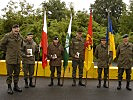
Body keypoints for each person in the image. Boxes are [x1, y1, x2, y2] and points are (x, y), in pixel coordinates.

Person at [0, 24, 23, 94]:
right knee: (9, 74)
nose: (16, 30)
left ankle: (15, 86)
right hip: (10, 58)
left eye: (17, 28)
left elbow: (21, 45)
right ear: (12, 29)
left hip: (18, 58)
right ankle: (9, 87)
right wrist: (7, 51)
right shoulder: (7, 36)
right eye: (15, 28)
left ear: (19, 29)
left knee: (17, 73)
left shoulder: (20, 36)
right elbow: (1, 44)